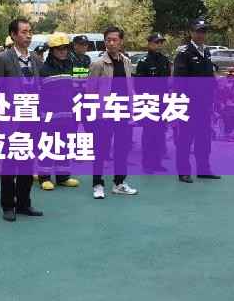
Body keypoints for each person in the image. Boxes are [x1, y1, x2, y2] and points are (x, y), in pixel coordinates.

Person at [0, 18, 44, 222]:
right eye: (23, 32)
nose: (28, 35)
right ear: (13, 35)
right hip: (11, 120)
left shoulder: (35, 59)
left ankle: (23, 203)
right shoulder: (2, 59)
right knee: (10, 164)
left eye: (30, 31)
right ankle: (8, 205)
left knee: (27, 164)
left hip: (32, 119)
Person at [89, 26, 138, 199]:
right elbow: (90, 92)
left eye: (114, 40)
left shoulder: (126, 62)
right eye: (108, 40)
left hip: (123, 113)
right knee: (101, 151)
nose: (111, 43)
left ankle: (119, 183)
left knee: (122, 150)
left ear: (121, 41)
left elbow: (129, 88)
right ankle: (97, 184)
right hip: (104, 115)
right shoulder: (98, 64)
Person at [173, 18, 221, 183]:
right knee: (185, 139)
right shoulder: (184, 53)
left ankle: (203, 169)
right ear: (191, 33)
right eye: (198, 31)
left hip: (205, 105)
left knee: (204, 138)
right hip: (189, 105)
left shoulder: (206, 52)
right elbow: (179, 82)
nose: (201, 34)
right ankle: (184, 172)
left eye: (203, 31)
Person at [38, 32, 81, 191]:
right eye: (59, 49)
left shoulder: (70, 66)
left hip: (67, 114)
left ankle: (63, 177)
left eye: (65, 48)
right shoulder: (44, 69)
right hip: (49, 115)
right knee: (48, 144)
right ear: (52, 50)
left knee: (64, 145)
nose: (63, 51)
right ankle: (44, 177)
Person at [136, 33, 171, 173]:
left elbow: (168, 81)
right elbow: (138, 85)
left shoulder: (164, 60)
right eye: (156, 42)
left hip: (162, 101)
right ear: (149, 43)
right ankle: (147, 164)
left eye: (161, 42)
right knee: (149, 133)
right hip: (149, 102)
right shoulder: (144, 61)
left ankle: (157, 162)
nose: (159, 45)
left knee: (160, 133)